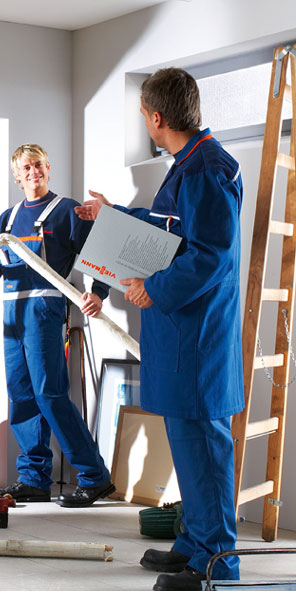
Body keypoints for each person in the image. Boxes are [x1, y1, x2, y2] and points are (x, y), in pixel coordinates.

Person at [75, 67, 243, 591]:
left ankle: (217, 561)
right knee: (188, 445)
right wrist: (114, 215)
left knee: (205, 445)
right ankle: (194, 543)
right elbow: (171, 229)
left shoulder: (205, 169)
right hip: (179, 334)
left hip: (197, 334)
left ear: (155, 117)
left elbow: (210, 255)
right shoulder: (189, 163)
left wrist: (156, 289)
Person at [0, 143, 114, 508]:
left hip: (45, 310)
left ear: (48, 168)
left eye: (39, 165)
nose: (34, 172)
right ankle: (33, 478)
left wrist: (98, 293)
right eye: (26, 167)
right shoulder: (8, 220)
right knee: (21, 394)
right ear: (17, 175)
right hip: (12, 314)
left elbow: (102, 254)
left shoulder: (67, 211)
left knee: (50, 394)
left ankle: (94, 477)